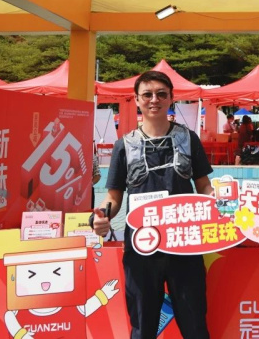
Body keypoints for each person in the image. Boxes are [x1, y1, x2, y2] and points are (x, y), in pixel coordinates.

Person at [90, 70, 213, 339]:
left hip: (185, 244)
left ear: (171, 98)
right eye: (147, 94)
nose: (154, 100)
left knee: (194, 324)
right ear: (136, 99)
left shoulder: (188, 139)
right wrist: (101, 216)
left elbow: (203, 184)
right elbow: (114, 196)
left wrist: (217, 203)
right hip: (141, 249)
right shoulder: (124, 146)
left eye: (161, 94)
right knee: (142, 326)